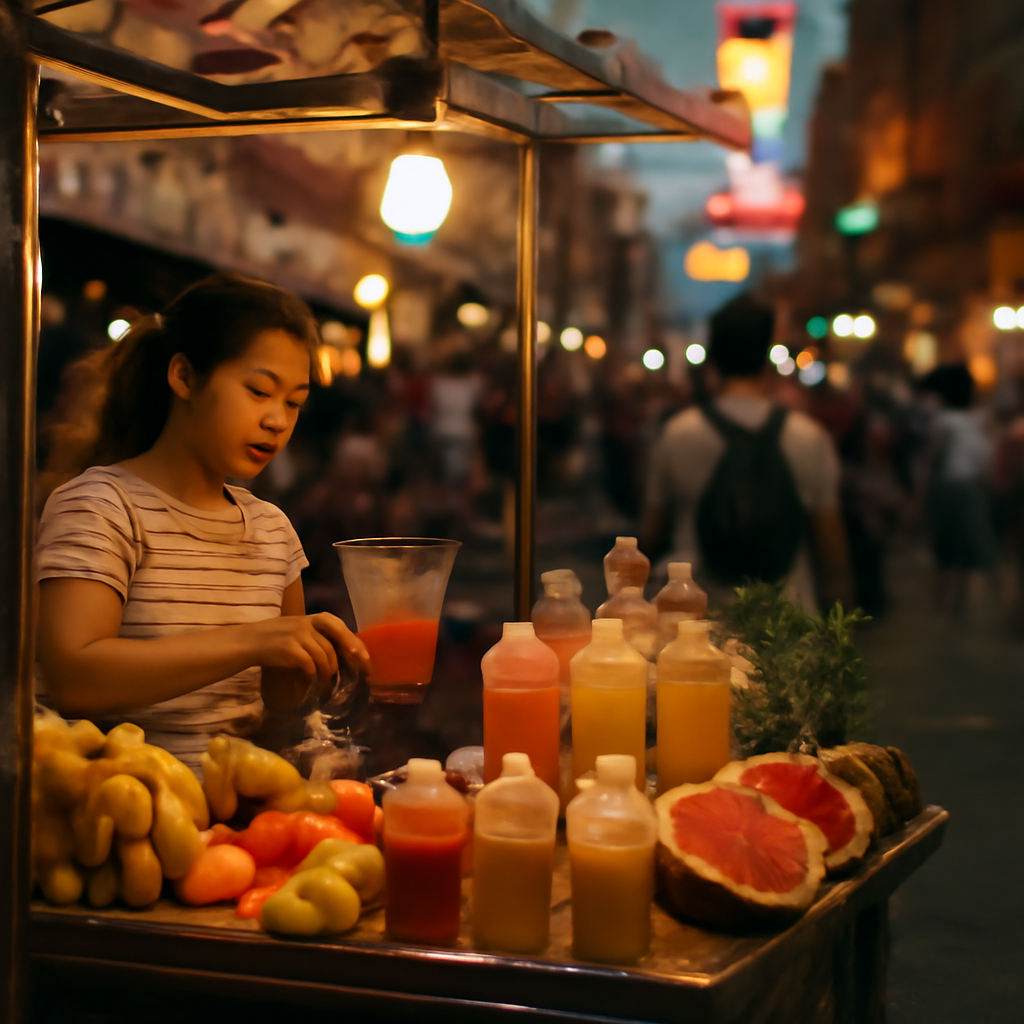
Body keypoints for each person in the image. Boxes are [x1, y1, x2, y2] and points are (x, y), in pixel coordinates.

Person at [35, 272, 370, 772]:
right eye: (259, 391)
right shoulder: (103, 506)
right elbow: (76, 681)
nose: (277, 420)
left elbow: (274, 713)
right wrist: (255, 641)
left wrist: (306, 669)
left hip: (233, 811)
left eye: (294, 402)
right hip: (114, 804)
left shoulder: (272, 530)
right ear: (185, 377)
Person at [641, 292, 851, 611]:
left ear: (713, 359)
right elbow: (832, 554)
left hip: (697, 626)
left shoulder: (678, 434)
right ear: (767, 357)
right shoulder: (809, 437)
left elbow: (649, 534)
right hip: (787, 628)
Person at [921, 363, 997, 613]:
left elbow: (932, 460)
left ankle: (941, 606)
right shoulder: (980, 419)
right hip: (974, 486)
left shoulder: (943, 421)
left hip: (950, 487)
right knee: (973, 545)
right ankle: (966, 604)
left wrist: (919, 496)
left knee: (947, 548)